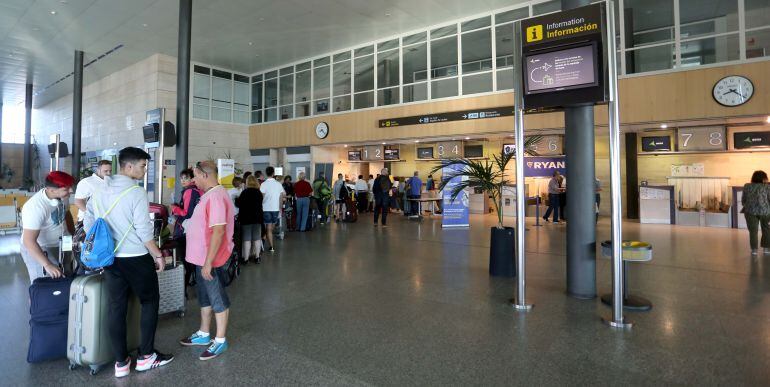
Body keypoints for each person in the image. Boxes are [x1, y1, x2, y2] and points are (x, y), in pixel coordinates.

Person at [84, 147, 172, 377]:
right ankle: (146, 356)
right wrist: (158, 255)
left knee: (116, 308)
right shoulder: (136, 193)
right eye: (143, 166)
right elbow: (144, 232)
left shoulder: (100, 189)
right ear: (129, 166)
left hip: (111, 259)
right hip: (136, 258)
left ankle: (121, 363)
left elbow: (89, 222)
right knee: (150, 301)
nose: (145, 170)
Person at [179, 160, 235, 361]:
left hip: (212, 260)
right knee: (204, 296)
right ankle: (204, 333)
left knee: (217, 297)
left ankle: (220, 340)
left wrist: (209, 262)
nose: (193, 180)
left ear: (205, 175)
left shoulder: (217, 196)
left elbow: (219, 231)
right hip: (200, 257)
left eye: (194, 175)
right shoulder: (208, 195)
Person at [20, 171, 76, 283]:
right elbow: (29, 241)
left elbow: (66, 213)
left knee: (65, 278)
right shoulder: (35, 207)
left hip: (61, 243)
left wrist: (72, 234)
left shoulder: (62, 196)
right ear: (51, 190)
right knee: (43, 285)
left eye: (70, 187)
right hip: (39, 248)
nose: (71, 191)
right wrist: (47, 264)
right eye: (66, 189)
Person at [170, 168, 203, 288]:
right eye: (181, 178)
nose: (183, 181)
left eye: (186, 178)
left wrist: (174, 208)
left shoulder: (189, 192)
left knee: (185, 259)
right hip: (195, 229)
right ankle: (192, 279)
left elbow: (187, 213)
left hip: (185, 231)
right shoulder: (199, 191)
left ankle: (184, 286)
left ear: (192, 179)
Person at [235, 176, 263, 263]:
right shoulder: (259, 193)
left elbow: (238, 204)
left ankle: (246, 259)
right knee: (257, 238)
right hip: (257, 218)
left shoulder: (244, 192)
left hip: (246, 219)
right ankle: (257, 257)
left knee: (246, 239)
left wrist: (236, 198)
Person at [742, 170, 770, 256]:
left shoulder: (747, 186)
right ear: (764, 178)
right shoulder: (767, 187)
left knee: (753, 231)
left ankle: (754, 250)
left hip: (750, 212)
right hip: (765, 212)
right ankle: (766, 249)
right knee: (766, 230)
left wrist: (747, 205)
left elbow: (743, 199)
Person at [260, 166, 285, 253]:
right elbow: (281, 197)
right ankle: (271, 246)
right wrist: (280, 208)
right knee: (271, 228)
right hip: (275, 209)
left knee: (269, 228)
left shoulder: (263, 184)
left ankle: (266, 239)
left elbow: (261, 198)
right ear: (273, 173)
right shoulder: (278, 184)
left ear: (266, 173)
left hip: (265, 208)